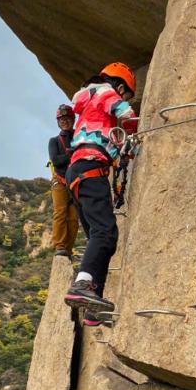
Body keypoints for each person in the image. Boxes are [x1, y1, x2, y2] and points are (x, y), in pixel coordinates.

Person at [63, 63, 138, 320]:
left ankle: (93, 307)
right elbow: (126, 114)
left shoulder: (87, 102)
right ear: (119, 86)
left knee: (102, 236)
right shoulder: (105, 92)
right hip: (90, 167)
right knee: (105, 233)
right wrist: (133, 130)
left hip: (78, 171)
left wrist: (125, 151)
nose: (123, 98)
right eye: (125, 93)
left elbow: (110, 141)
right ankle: (82, 285)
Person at [48, 104, 79, 257]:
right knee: (60, 212)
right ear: (58, 122)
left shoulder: (79, 137)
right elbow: (56, 160)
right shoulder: (54, 141)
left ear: (72, 120)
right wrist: (72, 154)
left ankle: (68, 248)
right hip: (60, 180)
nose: (64, 122)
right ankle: (60, 245)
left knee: (73, 217)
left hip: (75, 182)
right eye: (62, 119)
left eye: (67, 119)